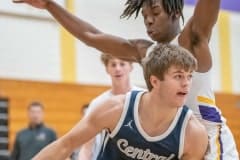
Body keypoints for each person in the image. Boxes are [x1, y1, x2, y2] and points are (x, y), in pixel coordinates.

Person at [13, 0, 239, 158]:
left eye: (155, 13)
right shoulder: (145, 51)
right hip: (172, 133)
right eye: (145, 17)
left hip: (208, 134)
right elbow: (92, 36)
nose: (149, 21)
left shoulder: (192, 40)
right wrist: (50, 5)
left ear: (175, 13)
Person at [30, 43, 208, 160]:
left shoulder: (193, 134)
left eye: (189, 76)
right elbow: (65, 145)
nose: (186, 83)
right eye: (178, 76)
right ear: (155, 81)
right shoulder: (115, 108)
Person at [75, 54, 143, 160]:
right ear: (107, 69)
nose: (118, 69)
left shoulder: (143, 97)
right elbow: (87, 146)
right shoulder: (98, 103)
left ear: (131, 67)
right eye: (113, 65)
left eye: (122, 64)